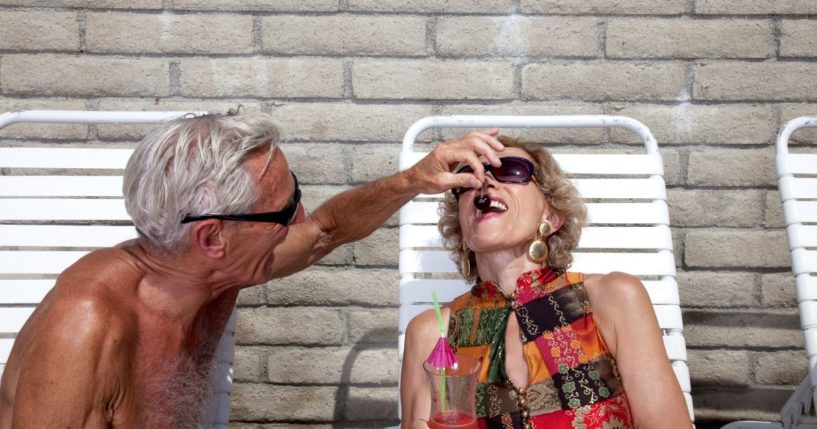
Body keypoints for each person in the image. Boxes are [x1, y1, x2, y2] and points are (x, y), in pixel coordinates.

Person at [0, 112, 505, 428]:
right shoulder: (84, 331)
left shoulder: (210, 273)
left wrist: (415, 178)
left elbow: (328, 229)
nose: (301, 220)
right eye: (285, 213)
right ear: (212, 237)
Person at [400, 136, 692, 428]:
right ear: (462, 227)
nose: (485, 182)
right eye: (468, 179)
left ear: (551, 216)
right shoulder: (432, 333)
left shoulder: (612, 299)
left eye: (511, 170)